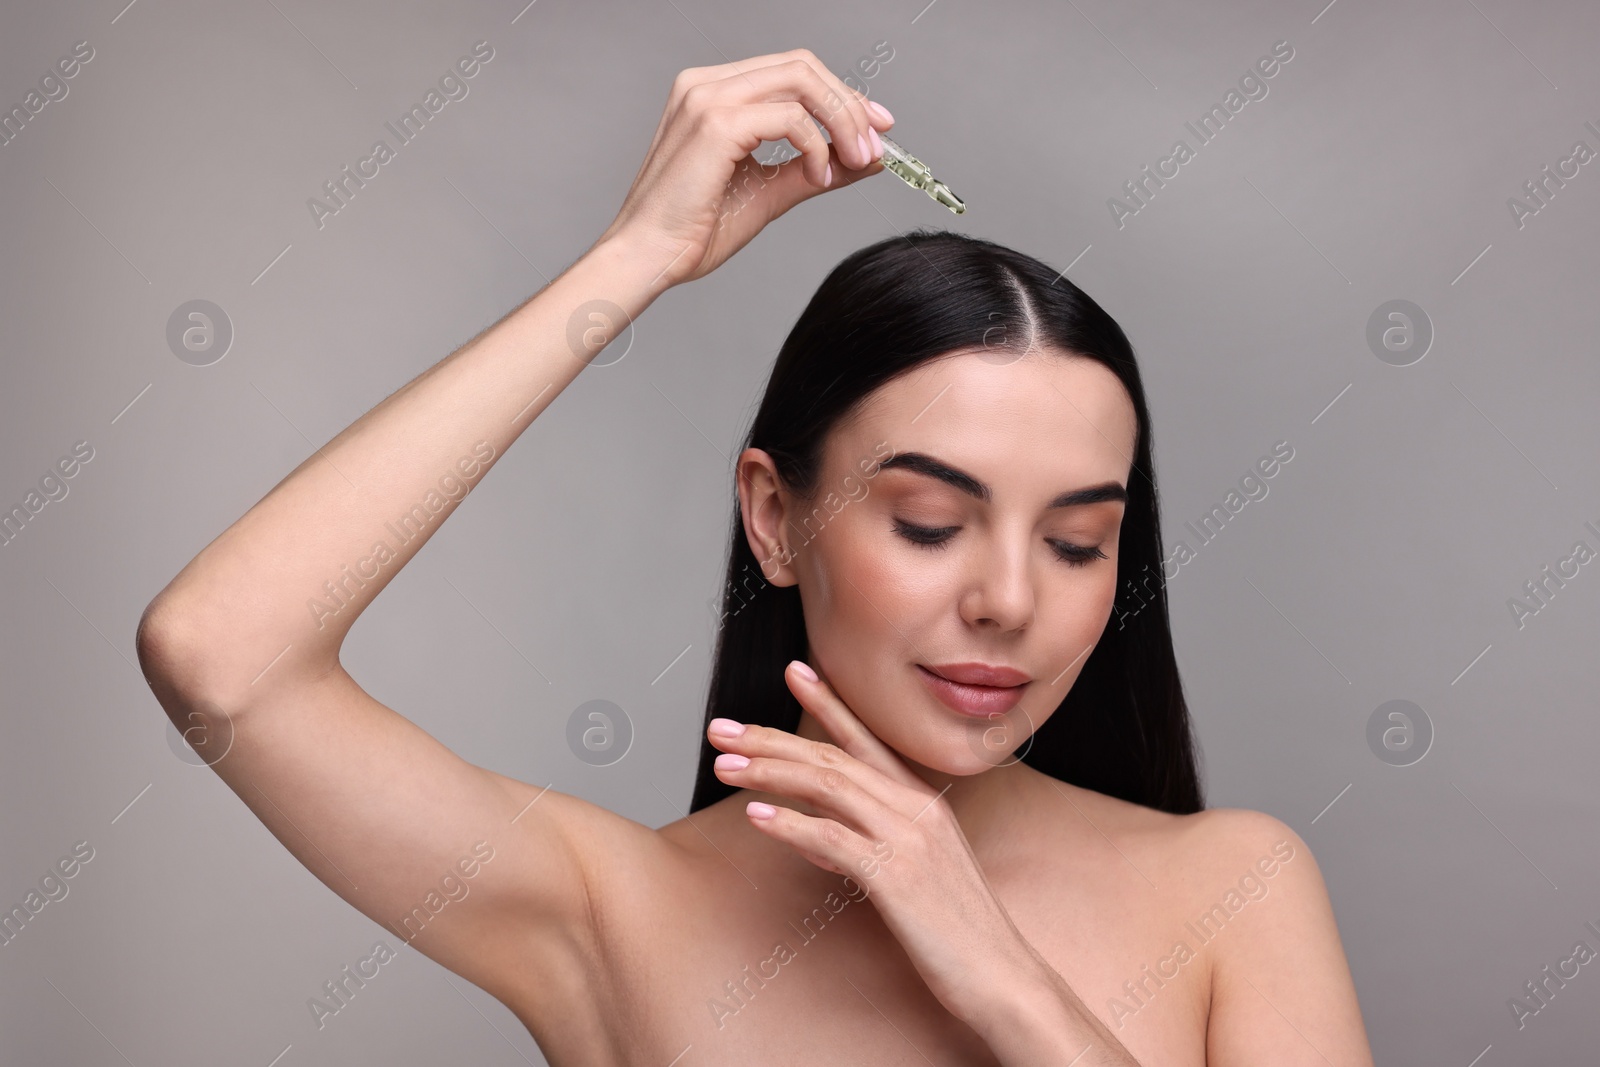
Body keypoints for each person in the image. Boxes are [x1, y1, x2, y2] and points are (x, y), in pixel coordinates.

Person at [135, 48, 1373, 1065]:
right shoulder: (616, 909)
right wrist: (635, 260)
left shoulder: (1235, 888)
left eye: (1076, 542)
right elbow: (221, 659)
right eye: (930, 524)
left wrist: (1000, 976)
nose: (1009, 600)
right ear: (776, 519)